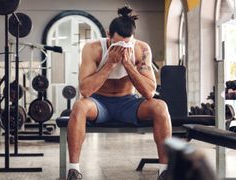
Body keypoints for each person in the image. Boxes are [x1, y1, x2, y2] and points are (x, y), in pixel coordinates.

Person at [66, 6, 172, 180]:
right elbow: (85, 91)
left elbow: (149, 93)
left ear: (133, 38)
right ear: (109, 35)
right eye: (117, 44)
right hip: (99, 103)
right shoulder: (93, 49)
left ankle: (165, 171)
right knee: (79, 106)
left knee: (160, 107)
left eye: (127, 43)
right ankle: (74, 170)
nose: (123, 47)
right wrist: (110, 64)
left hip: (129, 103)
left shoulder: (141, 49)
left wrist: (128, 64)